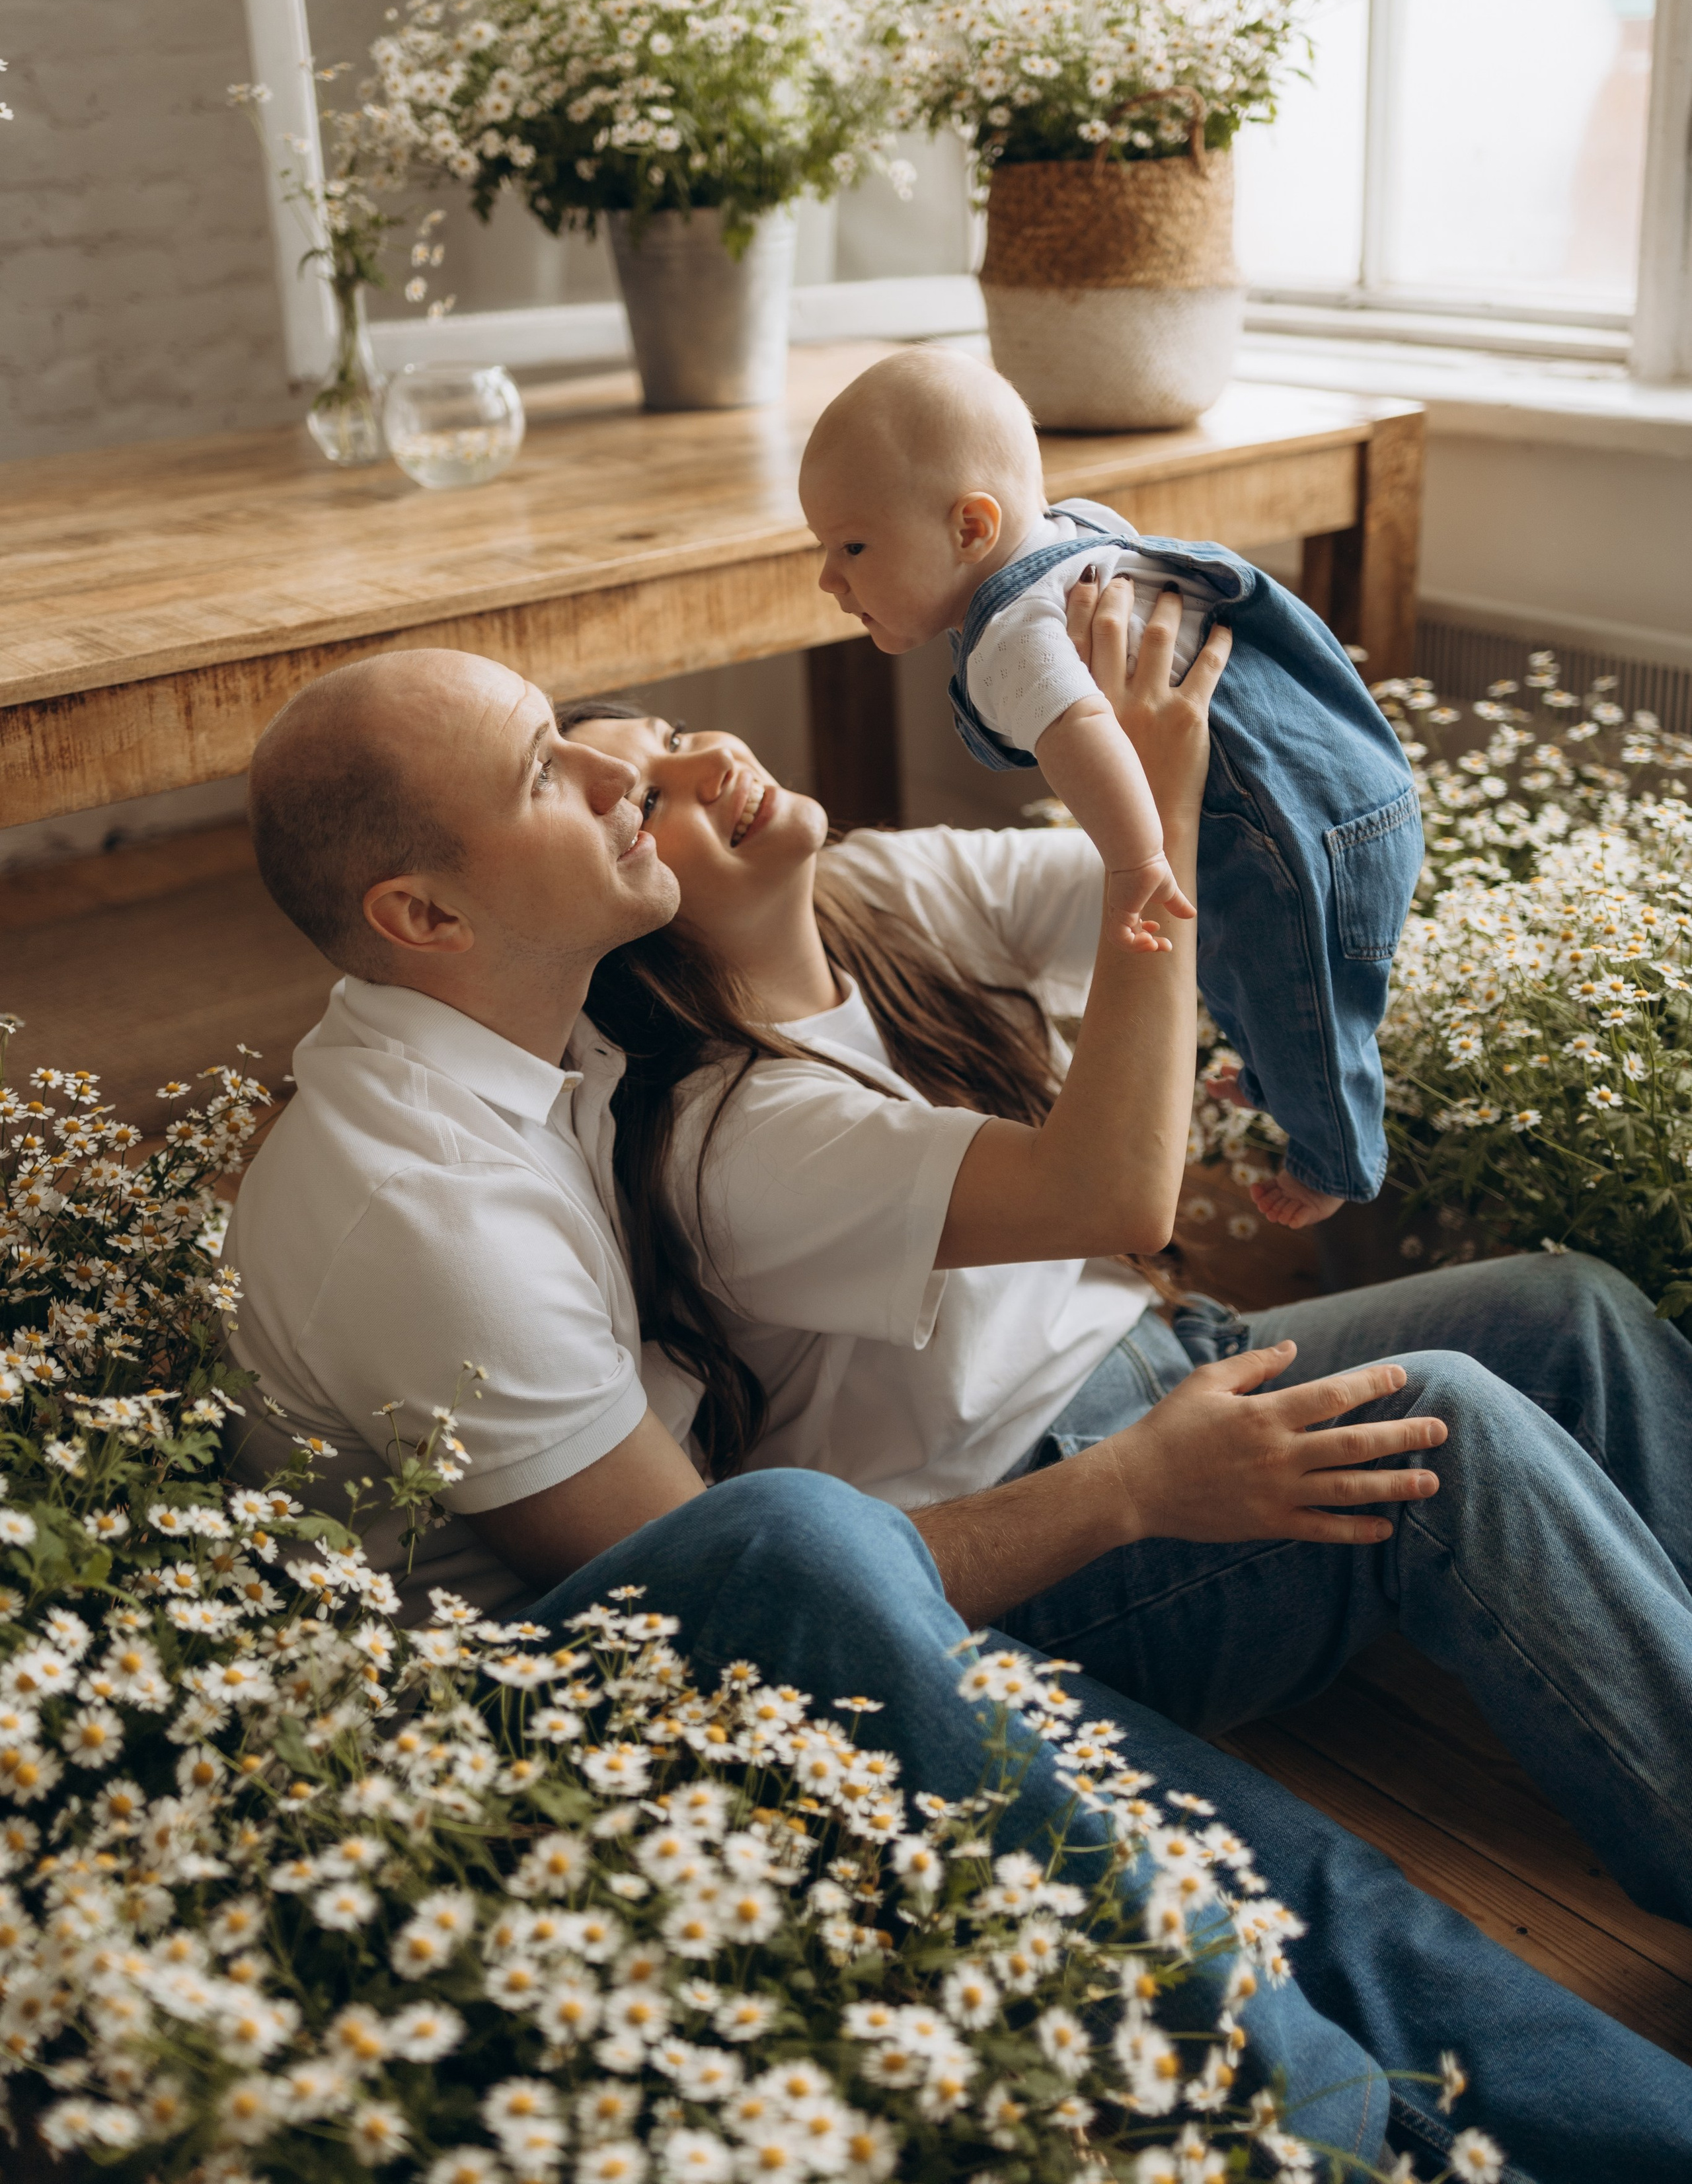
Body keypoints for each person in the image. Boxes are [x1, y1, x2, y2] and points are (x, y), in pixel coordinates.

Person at [224, 638, 1692, 2181]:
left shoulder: (550, 1047)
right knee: (1243, 1889)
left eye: (604, 736)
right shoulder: (427, 1204)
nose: (624, 775)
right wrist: (1128, 1491)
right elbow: (729, 1608)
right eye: (546, 768)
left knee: (1313, 1888)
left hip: (862, 1585)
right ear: (426, 917)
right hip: (601, 1762)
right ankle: (1327, 2138)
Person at [797, 346, 1423, 1228]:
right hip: (1343, 773)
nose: (830, 577)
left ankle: (1334, 1162)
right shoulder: (1075, 529)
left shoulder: (1014, 638)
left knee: (1294, 990)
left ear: (971, 529)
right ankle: (1281, 1069)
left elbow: (1089, 733)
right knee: (1260, 973)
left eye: (852, 546)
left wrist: (1137, 863)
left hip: (1281, 828)